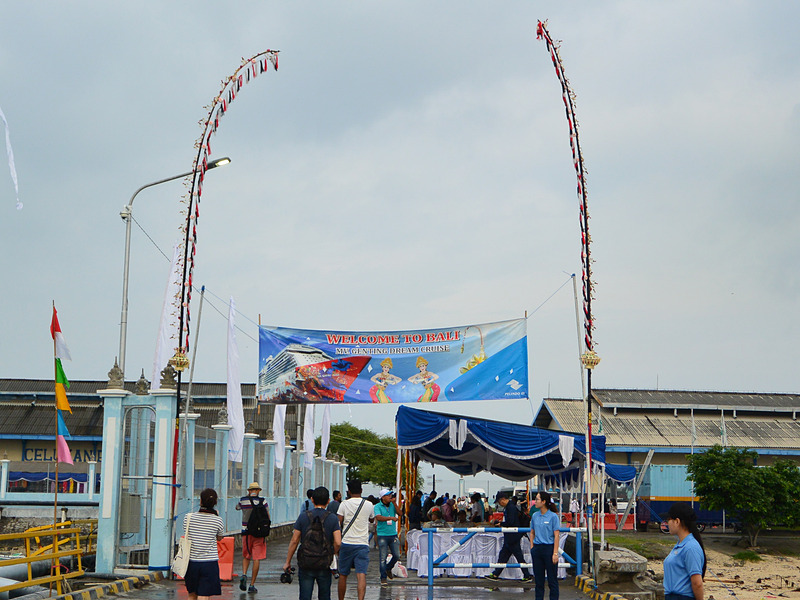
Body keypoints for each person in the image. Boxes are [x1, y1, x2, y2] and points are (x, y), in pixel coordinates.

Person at [284, 486, 342, 600]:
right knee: (325, 596)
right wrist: (332, 553)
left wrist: (288, 562)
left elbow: (294, 540)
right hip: (324, 562)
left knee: (305, 596)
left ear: (312, 500)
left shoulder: (303, 516)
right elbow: (338, 542)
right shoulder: (333, 518)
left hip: (306, 561)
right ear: (328, 501)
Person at [337, 480, 375, 600]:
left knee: (343, 574)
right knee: (361, 574)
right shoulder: (369, 504)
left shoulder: (343, 504)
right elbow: (372, 519)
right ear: (361, 490)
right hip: (362, 543)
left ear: (349, 491)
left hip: (346, 542)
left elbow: (338, 522)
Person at [184, 488, 225, 600]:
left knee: (192, 594)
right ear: (215, 502)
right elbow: (220, 538)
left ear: (201, 501)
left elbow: (187, 534)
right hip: (209, 563)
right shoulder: (218, 520)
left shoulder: (188, 518)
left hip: (191, 562)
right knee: (204, 595)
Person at [483, 491, 533, 582]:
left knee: (515, 556)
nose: (499, 504)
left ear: (502, 500)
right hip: (512, 536)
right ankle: (496, 573)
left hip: (512, 536)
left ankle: (526, 575)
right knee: (505, 556)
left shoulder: (510, 508)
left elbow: (511, 522)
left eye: (499, 502)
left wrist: (501, 524)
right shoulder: (510, 507)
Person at [663, 502, 706, 600]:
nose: (667, 523)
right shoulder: (680, 544)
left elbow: (697, 583)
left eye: (669, 519)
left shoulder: (691, 547)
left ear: (677, 521)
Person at [236, 481, 270, 593]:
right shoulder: (263, 501)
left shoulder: (243, 500)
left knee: (246, 556)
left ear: (249, 491)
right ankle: (252, 585)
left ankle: (244, 574)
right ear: (258, 491)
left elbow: (237, 508)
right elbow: (268, 516)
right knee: (256, 558)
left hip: (246, 533)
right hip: (259, 533)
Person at [529, 491, 561, 600]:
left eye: (537, 499)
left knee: (552, 580)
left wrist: (555, 553)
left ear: (543, 502)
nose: (535, 502)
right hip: (537, 549)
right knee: (539, 581)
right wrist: (532, 547)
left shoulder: (553, 517)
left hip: (549, 549)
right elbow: (532, 532)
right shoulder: (535, 516)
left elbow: (556, 535)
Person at [374, 489, 401, 586]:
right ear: (383, 497)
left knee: (397, 555)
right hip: (382, 534)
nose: (390, 497)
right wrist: (390, 518)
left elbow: (400, 513)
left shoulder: (392, 505)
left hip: (392, 534)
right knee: (383, 557)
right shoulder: (377, 506)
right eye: (388, 495)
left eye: (391, 495)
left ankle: (388, 568)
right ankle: (383, 577)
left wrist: (395, 504)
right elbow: (378, 517)